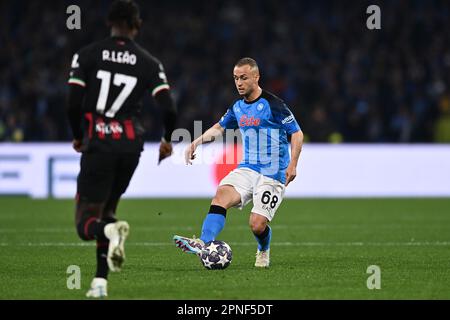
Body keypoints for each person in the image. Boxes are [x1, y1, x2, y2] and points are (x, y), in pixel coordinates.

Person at [67, 0, 177, 297]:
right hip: (130, 146)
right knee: (108, 211)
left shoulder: (87, 55)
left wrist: (78, 135)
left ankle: (108, 238)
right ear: (136, 25)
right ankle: (100, 282)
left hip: (99, 142)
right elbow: (168, 108)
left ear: (109, 22)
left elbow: (73, 103)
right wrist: (167, 139)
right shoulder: (149, 62)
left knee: (86, 223)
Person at [173, 57, 303, 268]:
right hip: (248, 167)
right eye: (235, 78)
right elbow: (219, 127)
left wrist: (293, 164)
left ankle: (263, 249)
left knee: (257, 225)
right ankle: (203, 242)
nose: (239, 83)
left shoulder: (274, 105)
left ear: (256, 77)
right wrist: (196, 141)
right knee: (221, 194)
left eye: (243, 78)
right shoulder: (237, 107)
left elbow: (297, 133)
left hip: (273, 171)